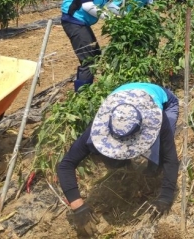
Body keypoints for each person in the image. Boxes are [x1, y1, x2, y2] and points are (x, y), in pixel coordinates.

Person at [57, 82, 179, 237]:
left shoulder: (157, 118)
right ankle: (127, 169)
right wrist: (78, 207)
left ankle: (153, 171)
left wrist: (166, 197)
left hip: (163, 101)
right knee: (113, 159)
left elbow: (171, 159)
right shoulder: (104, 124)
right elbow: (66, 165)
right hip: (122, 98)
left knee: (160, 153)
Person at [60, 0, 133, 92]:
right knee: (89, 59)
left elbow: (108, 3)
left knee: (96, 55)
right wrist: (111, 19)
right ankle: (82, 96)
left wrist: (126, 16)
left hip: (83, 22)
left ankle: (87, 90)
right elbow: (87, 5)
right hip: (74, 20)